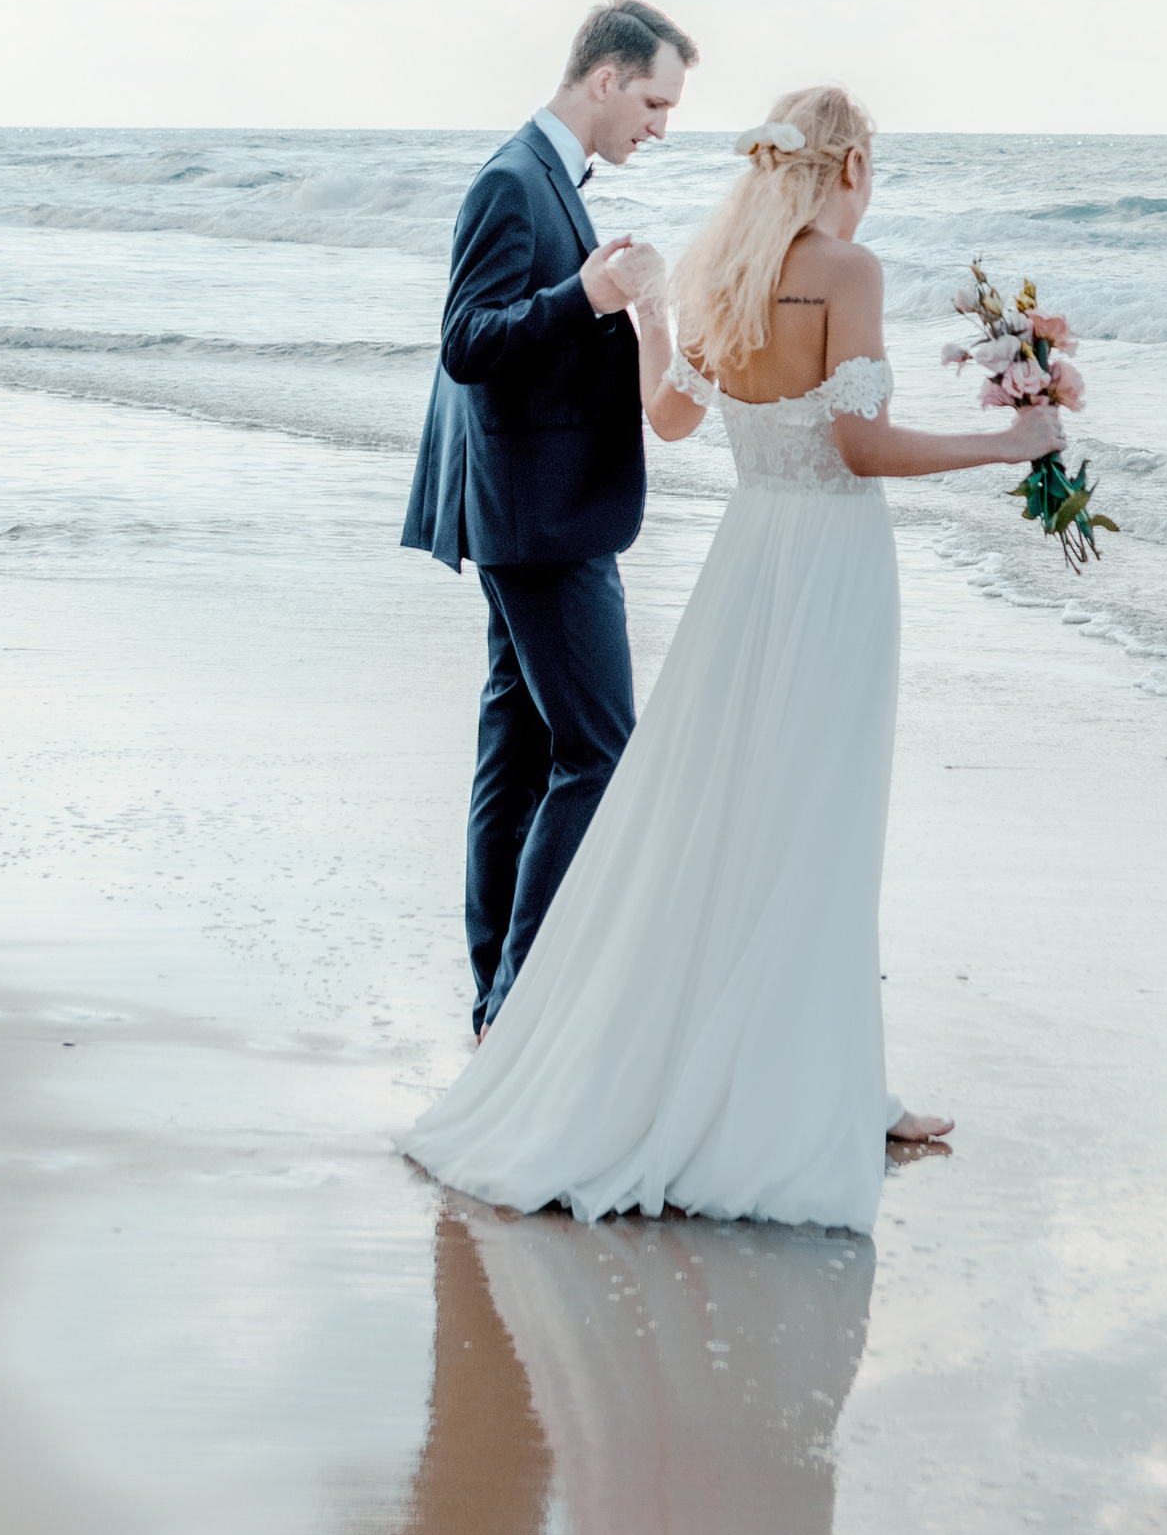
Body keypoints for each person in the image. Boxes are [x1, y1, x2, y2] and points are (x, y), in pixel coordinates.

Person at [406, 85, 1050, 1234]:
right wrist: (1002, 445)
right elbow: (857, 445)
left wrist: (652, 312)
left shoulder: (725, 269)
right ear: (846, 165)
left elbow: (670, 417)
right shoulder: (846, 274)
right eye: (873, 164)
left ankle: (834, 1079)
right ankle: (819, 1092)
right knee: (821, 822)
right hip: (834, 570)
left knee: (738, 816)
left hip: (748, 564)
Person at [403, 0, 698, 1035]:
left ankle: (498, 994)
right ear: (605, 78)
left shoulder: (544, 181)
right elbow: (467, 344)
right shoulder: (511, 181)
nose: (659, 127)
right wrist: (586, 296)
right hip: (541, 518)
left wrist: (611, 299)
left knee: (521, 753)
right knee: (599, 752)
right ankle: (522, 1002)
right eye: (654, 102)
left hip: (532, 507)